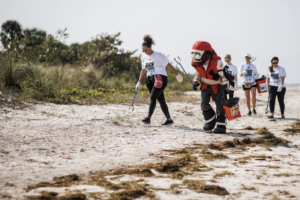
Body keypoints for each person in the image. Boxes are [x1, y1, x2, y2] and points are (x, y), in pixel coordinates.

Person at [136, 35, 183, 125]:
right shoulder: (144, 58)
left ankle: (148, 118)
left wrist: (177, 75)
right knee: (161, 100)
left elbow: (168, 65)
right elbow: (143, 70)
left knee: (153, 97)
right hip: (149, 80)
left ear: (150, 47)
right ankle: (169, 120)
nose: (145, 52)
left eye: (146, 49)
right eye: (143, 50)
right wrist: (139, 82)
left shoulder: (159, 55)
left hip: (160, 79)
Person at [191, 41, 232, 134]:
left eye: (197, 53)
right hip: (205, 84)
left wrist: (226, 86)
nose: (194, 56)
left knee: (220, 104)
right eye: (193, 53)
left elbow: (223, 75)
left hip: (217, 84)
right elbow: (198, 75)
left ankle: (221, 125)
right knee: (203, 103)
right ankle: (210, 120)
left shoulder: (217, 61)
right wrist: (196, 82)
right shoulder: (196, 63)